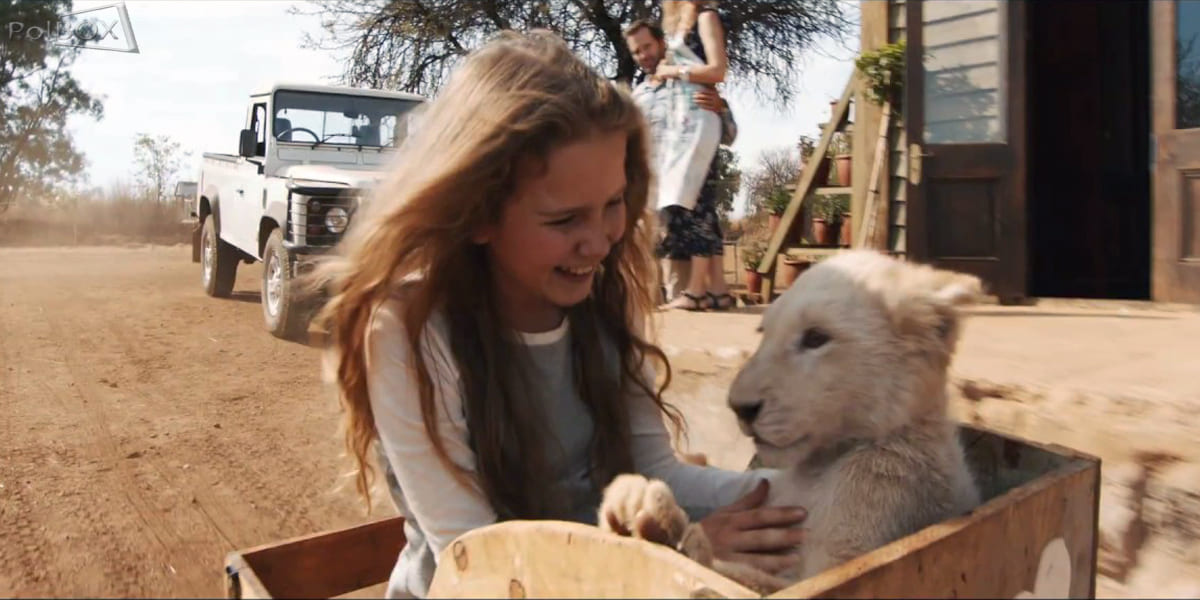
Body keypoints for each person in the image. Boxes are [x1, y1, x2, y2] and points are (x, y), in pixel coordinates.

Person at [313, 30, 807, 599]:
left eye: (614, 204)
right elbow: (475, 558)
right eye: (563, 220)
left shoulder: (606, 300)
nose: (598, 243)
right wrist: (686, 553)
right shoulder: (408, 332)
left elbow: (657, 475)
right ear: (476, 215)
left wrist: (810, 492)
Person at [624, 17, 737, 307]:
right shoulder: (637, 96)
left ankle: (709, 292)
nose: (644, 55)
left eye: (647, 46)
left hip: (689, 201)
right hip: (659, 216)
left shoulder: (693, 83)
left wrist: (722, 109)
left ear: (661, 42)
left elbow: (728, 135)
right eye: (637, 52)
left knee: (696, 305)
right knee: (667, 295)